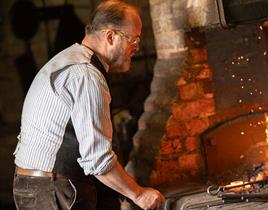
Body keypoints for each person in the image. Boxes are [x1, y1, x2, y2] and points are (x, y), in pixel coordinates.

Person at [12, 1, 164, 209]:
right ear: (110, 37)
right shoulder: (86, 75)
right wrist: (138, 194)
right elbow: (98, 159)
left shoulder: (66, 60)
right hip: (57, 190)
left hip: (31, 187)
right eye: (133, 40)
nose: (136, 48)